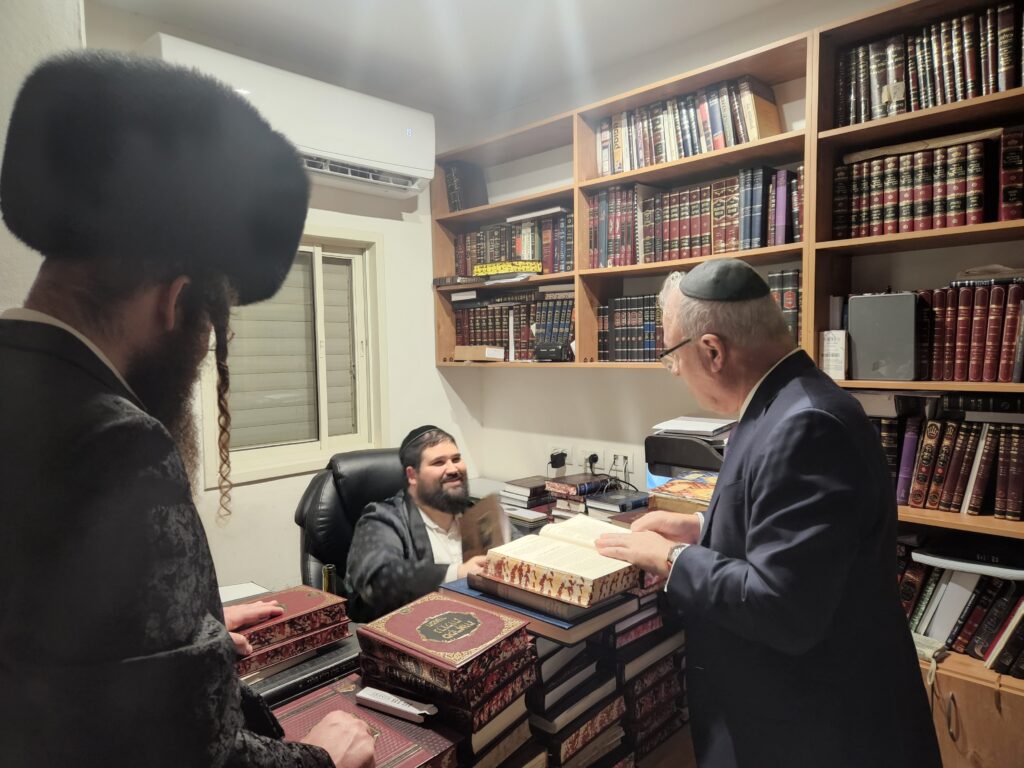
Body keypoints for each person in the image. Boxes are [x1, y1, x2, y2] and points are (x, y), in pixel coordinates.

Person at [0, 52, 373, 767]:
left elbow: (45, 648)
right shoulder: (118, 446)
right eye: (210, 324)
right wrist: (324, 758)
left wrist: (183, 629)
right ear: (175, 303)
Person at [595, 260, 941, 768]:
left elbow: (782, 607)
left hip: (817, 731)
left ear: (712, 351)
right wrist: (700, 528)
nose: (675, 371)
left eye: (672, 356)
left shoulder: (806, 424)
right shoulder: (785, 401)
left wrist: (671, 558)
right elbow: (789, 537)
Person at [345, 425, 492, 621]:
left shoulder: (475, 514)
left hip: (480, 622)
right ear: (412, 475)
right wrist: (457, 574)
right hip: (410, 630)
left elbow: (519, 549)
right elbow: (380, 580)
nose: (453, 469)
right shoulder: (382, 518)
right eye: (439, 462)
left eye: (456, 459)